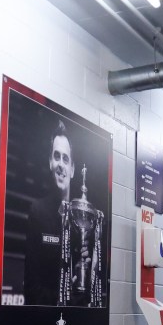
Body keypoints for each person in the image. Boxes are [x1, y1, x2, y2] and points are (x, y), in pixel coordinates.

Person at [23, 119, 102, 306]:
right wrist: (64, 299)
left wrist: (87, 271)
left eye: (65, 159)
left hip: (79, 322)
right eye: (56, 157)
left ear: (73, 169)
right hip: (45, 323)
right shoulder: (37, 212)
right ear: (50, 162)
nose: (61, 164)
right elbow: (31, 289)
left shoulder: (83, 217)